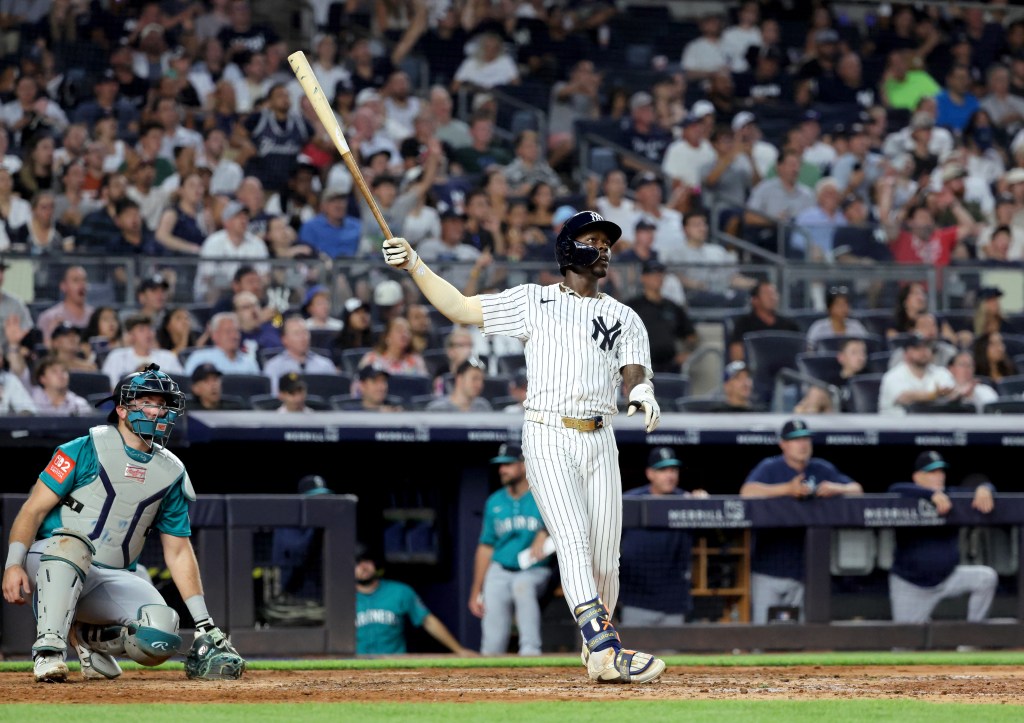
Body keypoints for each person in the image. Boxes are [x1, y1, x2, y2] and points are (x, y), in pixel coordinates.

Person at [382, 210, 666, 683]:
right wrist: (415, 264)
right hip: (548, 430)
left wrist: (643, 391)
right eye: (593, 240)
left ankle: (595, 646)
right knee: (571, 539)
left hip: (602, 436)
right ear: (568, 249)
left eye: (606, 242)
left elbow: (634, 370)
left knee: (605, 561)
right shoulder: (534, 300)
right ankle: (604, 646)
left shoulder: (625, 315)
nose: (603, 248)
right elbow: (461, 308)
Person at [1, 365, 244, 682]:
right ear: (121, 409)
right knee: (72, 544)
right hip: (50, 560)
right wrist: (13, 564)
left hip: (112, 574)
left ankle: (85, 639)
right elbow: (31, 511)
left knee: (160, 633)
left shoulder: (172, 472)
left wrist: (204, 623)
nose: (155, 411)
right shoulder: (82, 448)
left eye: (161, 404)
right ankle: (48, 651)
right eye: (146, 402)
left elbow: (178, 551)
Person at [740, 419, 863, 624]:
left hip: (807, 571)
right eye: (796, 440)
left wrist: (837, 488)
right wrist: (787, 489)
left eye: (806, 439)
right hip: (768, 568)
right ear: (783, 444)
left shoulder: (821, 469)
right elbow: (747, 491)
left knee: (800, 633)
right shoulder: (770, 467)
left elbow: (857, 490)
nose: (803, 444)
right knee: (764, 631)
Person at [887, 452, 998, 624]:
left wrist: (985, 489)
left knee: (986, 578)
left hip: (948, 578)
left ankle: (973, 634)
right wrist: (929, 495)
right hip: (911, 585)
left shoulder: (951, 495)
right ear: (917, 477)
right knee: (905, 640)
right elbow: (894, 488)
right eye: (932, 472)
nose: (939, 476)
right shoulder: (906, 496)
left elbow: (986, 487)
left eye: (941, 471)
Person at [468, 443, 551, 656]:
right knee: (492, 640)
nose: (502, 470)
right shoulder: (495, 501)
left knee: (522, 586)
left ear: (523, 465)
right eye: (500, 465)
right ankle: (490, 663)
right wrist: (476, 590)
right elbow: (486, 547)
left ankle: (530, 653)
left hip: (534, 569)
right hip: (500, 569)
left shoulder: (544, 495)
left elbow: (572, 522)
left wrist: (545, 531)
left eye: (508, 464)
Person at [619, 447, 708, 627]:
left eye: (673, 470)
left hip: (673, 601)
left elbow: (711, 533)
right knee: (635, 646)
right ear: (650, 473)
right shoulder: (630, 500)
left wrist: (704, 505)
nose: (670, 476)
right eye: (663, 470)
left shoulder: (687, 502)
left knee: (672, 647)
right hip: (636, 599)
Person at [355, 546, 473, 656]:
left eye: (367, 561)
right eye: (358, 563)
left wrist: (459, 650)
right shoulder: (345, 598)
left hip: (394, 662)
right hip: (356, 662)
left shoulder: (400, 591)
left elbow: (428, 621)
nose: (363, 567)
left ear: (375, 563)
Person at [625, 260, 697, 374]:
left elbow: (690, 334)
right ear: (643, 278)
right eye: (653, 274)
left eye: (660, 274)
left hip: (671, 367)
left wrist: (687, 352)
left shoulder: (673, 307)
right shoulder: (632, 306)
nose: (658, 278)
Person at [879, 334, 960, 415]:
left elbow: (952, 393)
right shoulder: (893, 375)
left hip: (934, 421)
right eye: (917, 348)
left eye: (927, 347)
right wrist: (934, 395)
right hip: (897, 421)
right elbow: (904, 397)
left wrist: (948, 393)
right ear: (906, 354)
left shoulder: (941, 372)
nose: (923, 351)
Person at [101, 315, 184, 389]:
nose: (148, 333)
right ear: (131, 335)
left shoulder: (168, 357)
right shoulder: (116, 357)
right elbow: (109, 388)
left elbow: (181, 386)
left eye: (150, 329)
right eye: (142, 330)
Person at [262, 316, 337, 394]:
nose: (303, 338)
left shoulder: (325, 365)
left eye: (305, 332)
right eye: (297, 333)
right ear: (284, 340)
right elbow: (273, 395)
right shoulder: (274, 367)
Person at [728, 281, 800, 361]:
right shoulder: (744, 324)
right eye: (767, 294)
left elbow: (801, 351)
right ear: (755, 300)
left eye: (774, 293)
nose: (772, 297)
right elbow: (736, 355)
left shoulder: (789, 325)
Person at [805, 286, 869, 350]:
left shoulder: (856, 326)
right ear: (829, 308)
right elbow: (809, 349)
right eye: (839, 304)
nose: (843, 308)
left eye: (846, 304)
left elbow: (867, 347)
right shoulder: (818, 327)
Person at [426, 358, 493, 412]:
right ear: (459, 379)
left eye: (481, 380)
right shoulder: (438, 409)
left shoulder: (483, 407)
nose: (479, 384)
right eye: (474, 378)